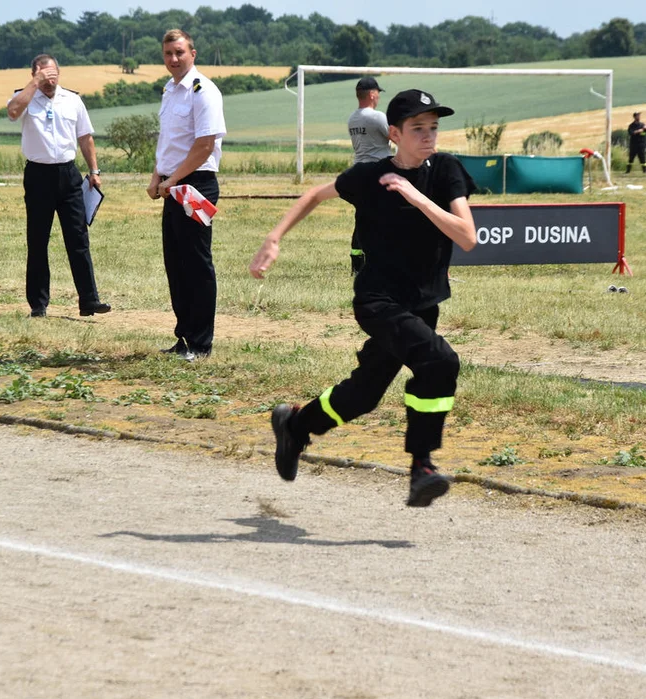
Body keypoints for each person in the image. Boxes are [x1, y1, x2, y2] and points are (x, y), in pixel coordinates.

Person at [250, 89, 477, 508]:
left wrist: (415, 196)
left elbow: (467, 237)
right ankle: (421, 467)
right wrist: (273, 238)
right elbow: (315, 195)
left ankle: (296, 426)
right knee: (440, 361)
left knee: (364, 394)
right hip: (378, 300)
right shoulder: (369, 177)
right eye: (417, 129)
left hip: (423, 303)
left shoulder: (446, 170)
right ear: (394, 133)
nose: (428, 136)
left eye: (434, 127)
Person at [7, 54, 110, 319]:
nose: (49, 81)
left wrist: (94, 170)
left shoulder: (73, 100)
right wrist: (35, 84)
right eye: (44, 76)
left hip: (68, 174)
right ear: (34, 75)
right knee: (38, 240)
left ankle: (89, 300)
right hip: (38, 175)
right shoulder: (25, 98)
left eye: (53, 76)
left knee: (78, 238)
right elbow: (12, 112)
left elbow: (85, 137)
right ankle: (38, 304)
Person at [147, 29, 227, 360]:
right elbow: (170, 142)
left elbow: (204, 145)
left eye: (179, 52)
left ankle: (201, 342)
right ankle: (183, 337)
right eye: (168, 54)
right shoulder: (170, 91)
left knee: (196, 264)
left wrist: (172, 180)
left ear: (193, 54)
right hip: (172, 185)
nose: (174, 59)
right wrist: (157, 176)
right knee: (176, 265)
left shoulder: (202, 91)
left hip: (195, 184)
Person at [347, 77, 393, 273]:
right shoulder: (377, 117)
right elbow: (396, 136)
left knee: (362, 218)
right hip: (378, 171)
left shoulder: (352, 119)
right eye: (378, 94)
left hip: (359, 172)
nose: (379, 97)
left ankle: (357, 263)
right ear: (372, 94)